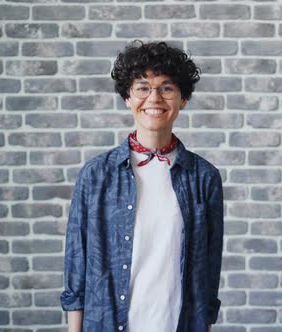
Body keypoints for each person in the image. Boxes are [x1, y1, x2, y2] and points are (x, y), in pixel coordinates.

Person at [60, 41, 224, 332]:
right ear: (127, 97)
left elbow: (208, 274)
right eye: (142, 87)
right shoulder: (96, 175)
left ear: (183, 99)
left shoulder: (204, 178)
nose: (154, 98)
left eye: (167, 88)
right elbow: (77, 265)